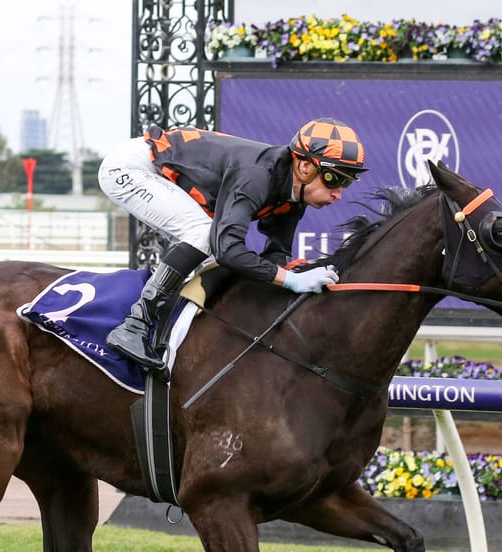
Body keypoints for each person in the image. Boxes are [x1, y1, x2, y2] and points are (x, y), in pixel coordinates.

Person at [97, 117, 368, 372]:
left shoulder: (295, 193)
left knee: (213, 260)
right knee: (204, 235)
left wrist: (298, 275)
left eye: (347, 182)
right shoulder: (257, 176)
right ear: (305, 167)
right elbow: (227, 250)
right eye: (334, 179)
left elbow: (277, 255)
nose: (338, 194)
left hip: (163, 174)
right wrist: (292, 280)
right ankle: (134, 325)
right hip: (133, 167)